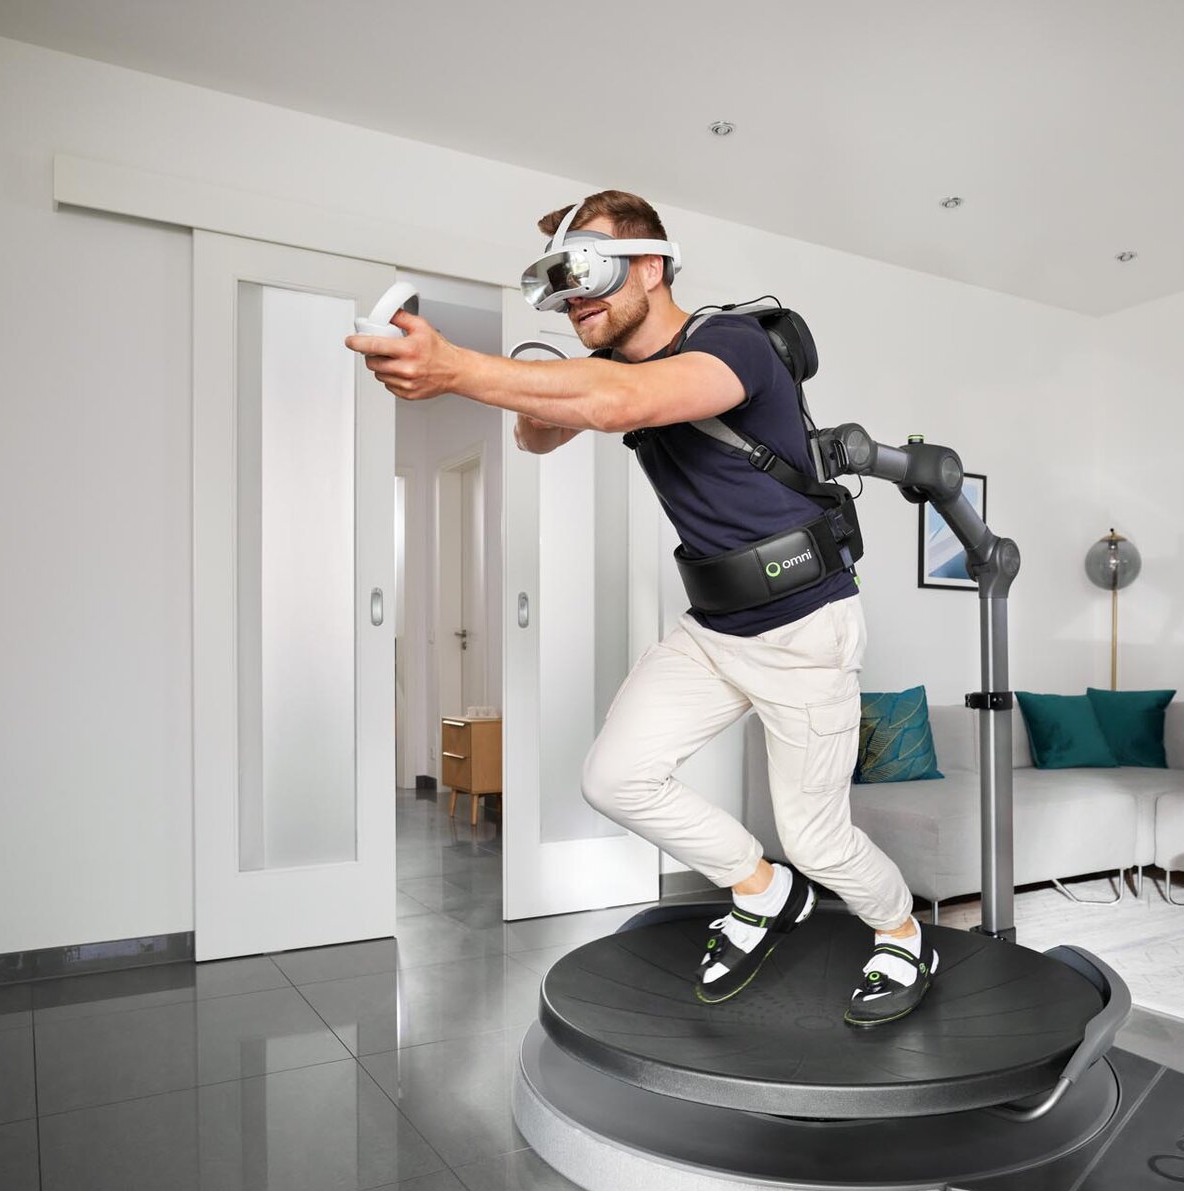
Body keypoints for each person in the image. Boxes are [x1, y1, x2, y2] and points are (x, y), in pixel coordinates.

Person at [345, 189, 936, 1024]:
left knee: (815, 836)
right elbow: (540, 431)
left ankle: (904, 931)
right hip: (715, 627)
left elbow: (620, 406)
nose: (574, 294)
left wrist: (458, 369)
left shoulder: (730, 344)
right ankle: (761, 891)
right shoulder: (616, 369)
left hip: (805, 627)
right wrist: (539, 381)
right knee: (614, 777)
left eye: (588, 267)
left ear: (652, 265)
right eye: (561, 277)